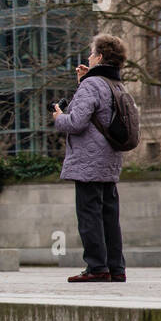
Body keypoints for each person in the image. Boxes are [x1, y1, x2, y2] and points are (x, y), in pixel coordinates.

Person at [53, 33, 129, 282]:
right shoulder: (115, 84)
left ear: (99, 57)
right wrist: (83, 81)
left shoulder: (92, 85)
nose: (88, 56)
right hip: (109, 160)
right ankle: (116, 269)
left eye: (91, 52)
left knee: (89, 215)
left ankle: (96, 267)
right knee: (110, 215)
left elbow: (76, 122)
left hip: (88, 162)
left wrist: (58, 118)